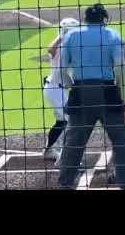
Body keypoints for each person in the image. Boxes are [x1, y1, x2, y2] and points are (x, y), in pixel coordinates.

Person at [58, 3, 125, 190]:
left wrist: (73, 86)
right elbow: (119, 65)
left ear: (85, 18)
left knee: (74, 141)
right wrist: (117, 86)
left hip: (80, 92)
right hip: (106, 91)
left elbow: (62, 69)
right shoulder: (112, 34)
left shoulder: (71, 35)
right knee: (120, 139)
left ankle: (65, 182)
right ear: (104, 18)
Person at [42, 18, 80, 161]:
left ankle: (49, 150)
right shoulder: (62, 45)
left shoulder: (68, 45)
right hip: (54, 89)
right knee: (71, 121)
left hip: (58, 89)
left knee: (61, 122)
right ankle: (66, 158)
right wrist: (61, 35)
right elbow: (50, 50)